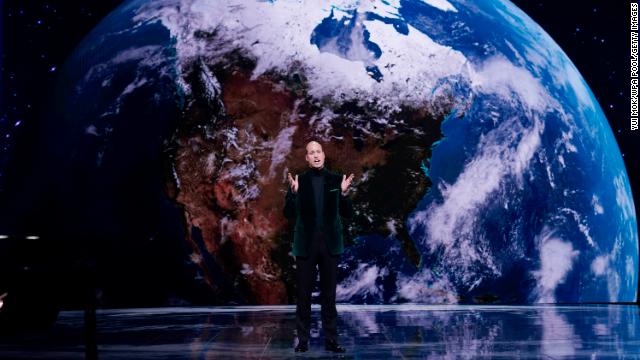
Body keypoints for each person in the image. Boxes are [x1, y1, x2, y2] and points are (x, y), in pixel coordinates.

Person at [284, 140, 354, 353]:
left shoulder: (335, 179)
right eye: (311, 152)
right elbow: (288, 214)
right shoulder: (299, 181)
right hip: (306, 246)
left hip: (330, 245)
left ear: (323, 155)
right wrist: (293, 194)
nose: (315, 155)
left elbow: (347, 213)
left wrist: (343, 193)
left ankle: (331, 341)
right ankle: (302, 341)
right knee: (303, 296)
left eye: (318, 151)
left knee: (329, 296)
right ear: (306, 158)